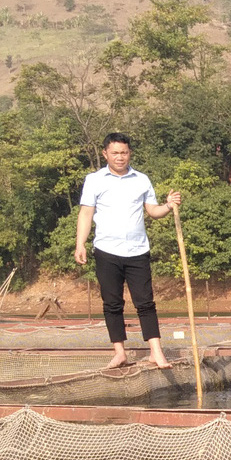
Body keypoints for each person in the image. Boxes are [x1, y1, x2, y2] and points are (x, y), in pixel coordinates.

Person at [74, 133, 183, 369]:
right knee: (112, 303)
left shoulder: (141, 180)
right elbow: (86, 213)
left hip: (137, 250)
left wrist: (168, 205)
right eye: (115, 153)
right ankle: (119, 352)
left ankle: (156, 352)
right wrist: (80, 244)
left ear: (129, 153)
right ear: (105, 154)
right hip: (106, 250)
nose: (120, 157)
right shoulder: (94, 180)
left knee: (145, 302)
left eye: (124, 152)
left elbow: (153, 211)